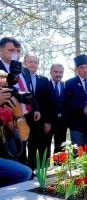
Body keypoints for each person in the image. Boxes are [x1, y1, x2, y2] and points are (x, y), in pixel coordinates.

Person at [0, 37, 41, 165]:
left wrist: (35, 108)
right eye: (11, 50)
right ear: (0, 49)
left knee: (22, 149)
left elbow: (29, 90)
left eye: (18, 51)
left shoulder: (24, 70)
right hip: (4, 122)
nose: (15, 53)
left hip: (24, 116)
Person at [0, 70, 32, 187]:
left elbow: (24, 136)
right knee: (24, 172)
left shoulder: (6, 111)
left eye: (7, 89)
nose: (6, 93)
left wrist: (19, 116)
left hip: (6, 156)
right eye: (2, 89)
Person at [23, 53, 52, 171]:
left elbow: (48, 102)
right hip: (22, 118)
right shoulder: (18, 78)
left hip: (38, 120)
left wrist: (47, 121)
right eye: (30, 61)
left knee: (35, 146)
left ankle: (35, 171)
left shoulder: (44, 80)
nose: (33, 64)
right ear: (24, 63)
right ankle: (25, 170)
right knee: (21, 146)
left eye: (35, 62)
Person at [64, 55, 87, 151]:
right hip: (77, 124)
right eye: (82, 67)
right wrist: (82, 108)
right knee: (78, 153)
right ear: (77, 69)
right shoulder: (70, 83)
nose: (85, 70)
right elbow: (68, 101)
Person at [43, 64, 67, 155]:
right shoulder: (45, 85)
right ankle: (46, 167)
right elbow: (42, 104)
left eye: (61, 72)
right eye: (56, 72)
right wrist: (46, 121)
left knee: (61, 147)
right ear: (50, 72)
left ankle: (59, 167)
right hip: (48, 122)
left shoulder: (65, 86)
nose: (58, 74)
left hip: (62, 123)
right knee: (46, 146)